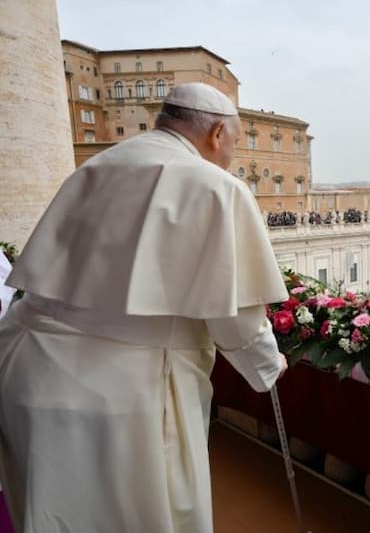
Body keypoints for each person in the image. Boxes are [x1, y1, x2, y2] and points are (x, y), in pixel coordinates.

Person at [0, 83, 290, 533]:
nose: (232, 155)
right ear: (217, 133)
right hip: (122, 394)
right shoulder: (215, 186)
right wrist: (267, 365)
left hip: (28, 370)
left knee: (51, 509)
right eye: (235, 142)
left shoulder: (96, 166)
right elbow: (236, 315)